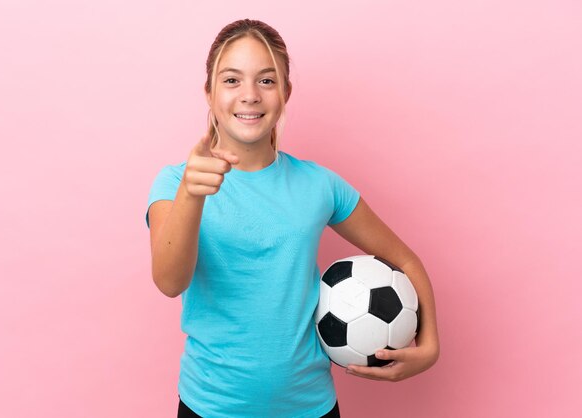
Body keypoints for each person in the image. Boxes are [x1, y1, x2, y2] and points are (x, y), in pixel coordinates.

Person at [146, 18, 440, 418]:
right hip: (210, 406)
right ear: (209, 93)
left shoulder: (319, 185)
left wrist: (430, 345)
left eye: (266, 81)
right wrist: (192, 196)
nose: (249, 95)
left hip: (310, 407)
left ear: (285, 92)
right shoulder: (177, 182)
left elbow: (405, 260)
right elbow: (169, 281)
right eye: (231, 80)